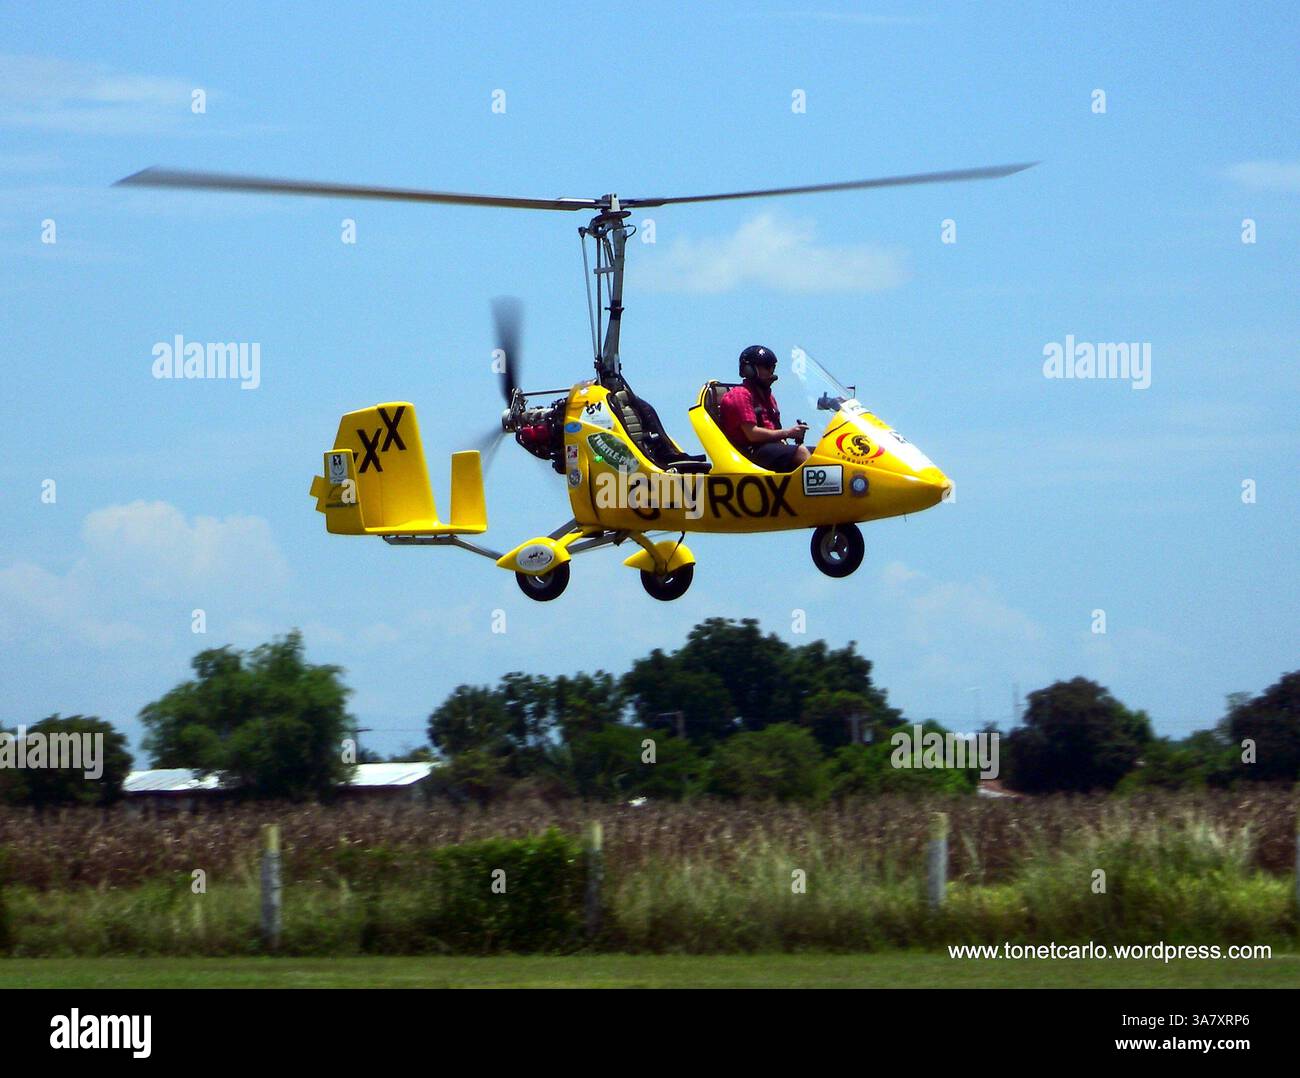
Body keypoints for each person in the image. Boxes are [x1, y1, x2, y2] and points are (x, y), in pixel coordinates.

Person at [719, 345, 810, 471]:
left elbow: (773, 430)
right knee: (800, 452)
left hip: (770, 450)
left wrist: (791, 436)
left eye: (773, 367)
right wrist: (788, 433)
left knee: (822, 454)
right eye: (767, 366)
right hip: (751, 453)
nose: (771, 371)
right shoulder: (740, 394)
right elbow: (752, 434)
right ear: (749, 369)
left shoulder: (768, 397)